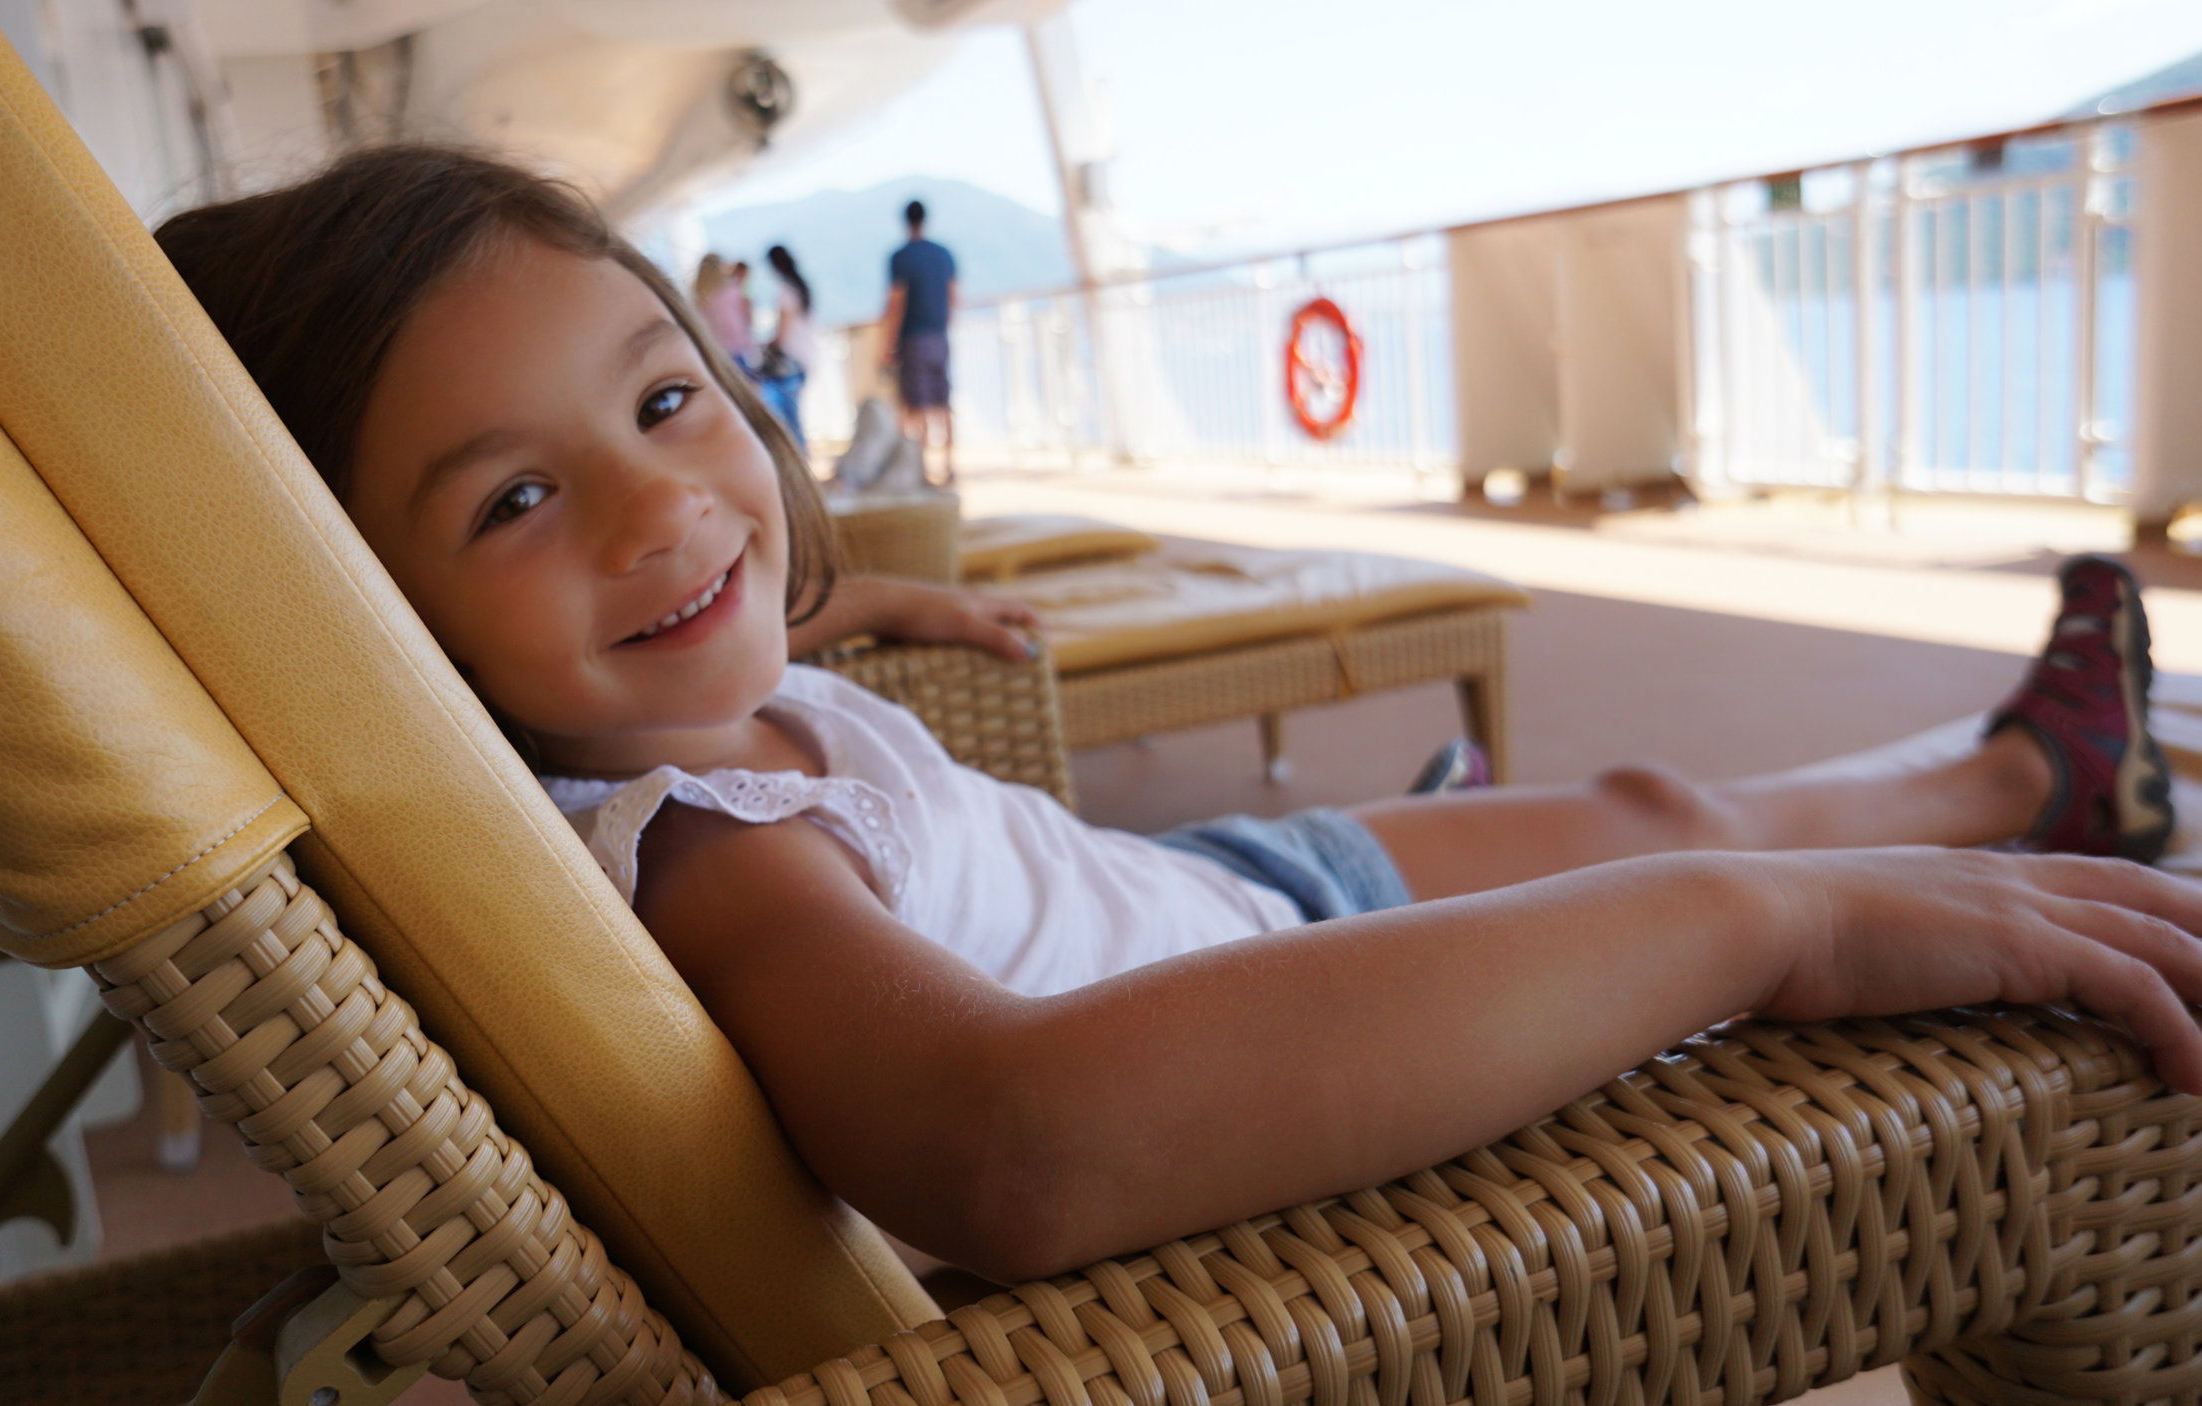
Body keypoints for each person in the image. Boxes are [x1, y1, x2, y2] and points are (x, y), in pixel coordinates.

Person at [156, 146, 2201, 1286]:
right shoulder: (712, 869)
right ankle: (1977, 812)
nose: (659, 500)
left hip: (1202, 880)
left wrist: (872, 592)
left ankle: (2035, 771)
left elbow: (730, 598)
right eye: (512, 498)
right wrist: (1769, 930)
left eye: (664, 396)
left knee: (1660, 783)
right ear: (371, 619)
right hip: (1271, 979)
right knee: (1699, 866)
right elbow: (1014, 1145)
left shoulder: (683, 704)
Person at [879, 199, 957, 483]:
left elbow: (895, 303)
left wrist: (887, 346)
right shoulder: (944, 254)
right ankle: (950, 465)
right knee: (944, 402)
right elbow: (953, 297)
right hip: (939, 336)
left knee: (916, 404)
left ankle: (921, 470)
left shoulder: (900, 257)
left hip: (913, 338)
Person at [760, 244, 816, 446]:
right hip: (805, 357)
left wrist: (767, 344)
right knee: (794, 418)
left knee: (787, 421)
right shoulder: (802, 288)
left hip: (788, 362)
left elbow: (781, 335)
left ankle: (798, 466)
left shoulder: (786, 293)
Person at [691, 252, 756, 371]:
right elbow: (740, 323)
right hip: (735, 350)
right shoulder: (732, 292)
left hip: (710, 354)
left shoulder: (698, 298)